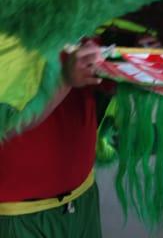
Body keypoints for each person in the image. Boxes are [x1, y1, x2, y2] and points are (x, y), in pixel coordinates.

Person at [0, 41, 105, 238]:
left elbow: (102, 82)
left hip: (83, 199)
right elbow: (6, 122)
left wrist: (136, 52)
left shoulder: (83, 13)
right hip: (18, 218)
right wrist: (64, 80)